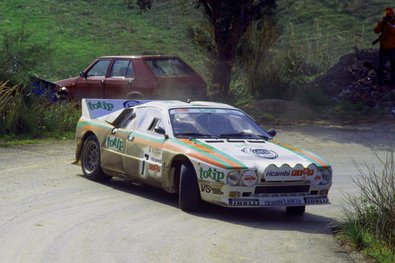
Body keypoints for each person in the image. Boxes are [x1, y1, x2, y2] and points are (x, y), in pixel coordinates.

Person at [375, 7, 395, 86]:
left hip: (393, 48)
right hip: (383, 48)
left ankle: (393, 82)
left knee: (393, 66)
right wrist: (381, 23)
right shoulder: (383, 23)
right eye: (388, 17)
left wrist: (389, 24)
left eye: (390, 17)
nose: (389, 18)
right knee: (381, 65)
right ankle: (380, 81)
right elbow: (376, 31)